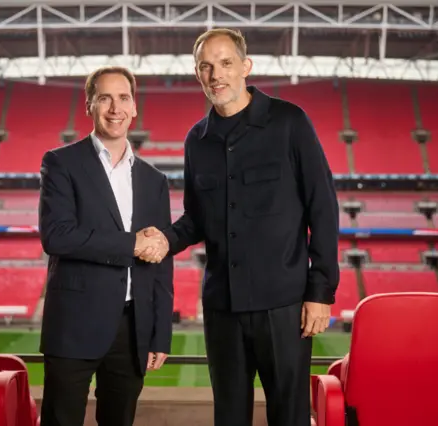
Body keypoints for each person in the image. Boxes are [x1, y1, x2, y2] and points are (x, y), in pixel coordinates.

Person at [140, 28, 340, 426]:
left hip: (284, 305)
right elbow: (196, 218)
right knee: (229, 416)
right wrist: (165, 238)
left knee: (290, 415)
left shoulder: (289, 122)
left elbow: (324, 207)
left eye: (226, 63)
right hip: (222, 309)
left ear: (246, 66)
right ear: (198, 74)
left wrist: (320, 291)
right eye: (206, 67)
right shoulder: (197, 140)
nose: (217, 74)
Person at [38, 65, 173, 426]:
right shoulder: (60, 162)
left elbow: (160, 258)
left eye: (123, 98)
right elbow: (57, 235)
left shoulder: (154, 180)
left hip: (131, 329)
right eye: (105, 98)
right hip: (73, 323)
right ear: (89, 106)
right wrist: (131, 244)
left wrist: (160, 332)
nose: (115, 108)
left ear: (134, 108)